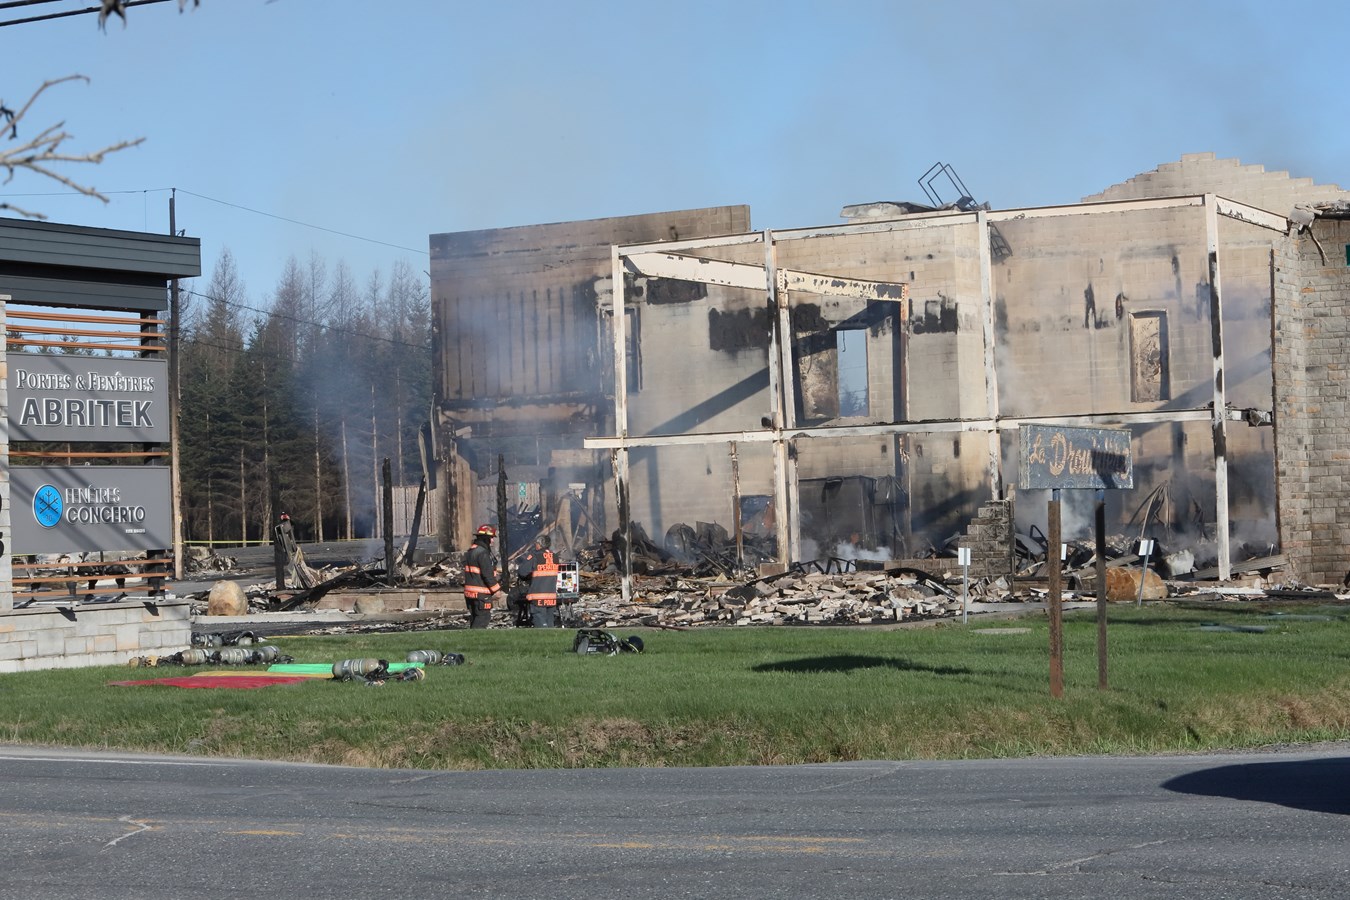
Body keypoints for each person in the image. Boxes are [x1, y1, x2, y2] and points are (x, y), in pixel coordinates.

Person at [463, 524, 502, 629]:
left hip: (470, 594)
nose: (492, 541)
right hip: (481, 594)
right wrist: (496, 590)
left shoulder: (471, 551)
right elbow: (487, 575)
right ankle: (474, 642)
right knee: (482, 619)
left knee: (475, 618)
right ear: (486, 538)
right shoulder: (483, 553)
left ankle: (470, 642)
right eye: (491, 538)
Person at [522, 535, 560, 628]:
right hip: (551, 598)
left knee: (541, 626)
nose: (535, 545)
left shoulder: (535, 556)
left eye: (536, 543)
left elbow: (522, 572)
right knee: (549, 624)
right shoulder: (555, 557)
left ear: (539, 544)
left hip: (538, 598)